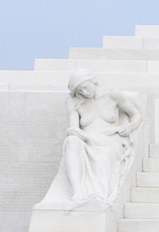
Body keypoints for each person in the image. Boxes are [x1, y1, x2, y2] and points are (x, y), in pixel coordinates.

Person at [37, 71, 143, 208]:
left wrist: (129, 127)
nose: (85, 92)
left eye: (85, 87)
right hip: (86, 139)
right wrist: (79, 131)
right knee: (71, 142)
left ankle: (99, 197)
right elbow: (73, 129)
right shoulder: (74, 102)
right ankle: (78, 193)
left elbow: (136, 115)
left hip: (109, 139)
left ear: (93, 81)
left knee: (103, 156)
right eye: (80, 91)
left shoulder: (112, 95)